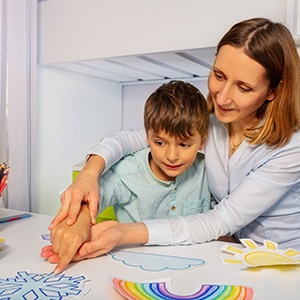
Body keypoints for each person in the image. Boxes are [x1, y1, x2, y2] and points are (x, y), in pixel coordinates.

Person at [43, 17, 300, 274]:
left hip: (283, 262)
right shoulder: (210, 123)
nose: (222, 97)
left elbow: (222, 219)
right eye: (219, 75)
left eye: (243, 87)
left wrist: (124, 232)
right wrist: (89, 176)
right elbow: (129, 139)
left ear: (273, 91)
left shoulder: (291, 147)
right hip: (233, 256)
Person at [42, 80, 211, 271]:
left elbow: (220, 222)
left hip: (196, 269)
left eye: (184, 145)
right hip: (132, 269)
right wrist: (79, 223)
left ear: (202, 141)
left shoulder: (208, 171)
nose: (172, 156)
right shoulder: (129, 171)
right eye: (160, 143)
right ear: (147, 137)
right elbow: (94, 194)